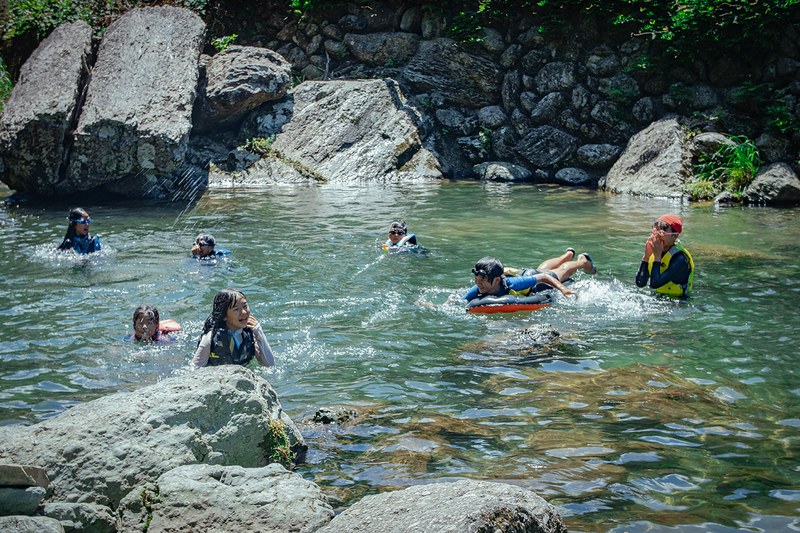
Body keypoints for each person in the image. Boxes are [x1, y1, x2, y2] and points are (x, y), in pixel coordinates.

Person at [459, 250, 594, 303]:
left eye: (482, 280)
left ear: (497, 280)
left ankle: (583, 261)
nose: (478, 283)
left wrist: (563, 289)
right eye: (476, 279)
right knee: (542, 269)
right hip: (528, 274)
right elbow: (460, 302)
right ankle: (567, 255)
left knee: (561, 272)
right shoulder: (478, 288)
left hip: (533, 280)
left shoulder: (512, 283)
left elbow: (544, 277)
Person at [192, 288, 275, 368]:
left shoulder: (250, 333)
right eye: (236, 309)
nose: (244, 312)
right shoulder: (212, 339)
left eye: (245, 306)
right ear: (224, 316)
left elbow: (269, 364)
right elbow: (195, 369)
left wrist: (259, 331)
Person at [635, 214, 694, 297]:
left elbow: (654, 284)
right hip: (659, 299)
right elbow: (640, 283)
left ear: (675, 236)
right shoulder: (656, 251)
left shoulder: (680, 259)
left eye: (662, 233)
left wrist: (657, 257)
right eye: (655, 231)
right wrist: (646, 257)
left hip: (678, 301)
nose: (657, 236)